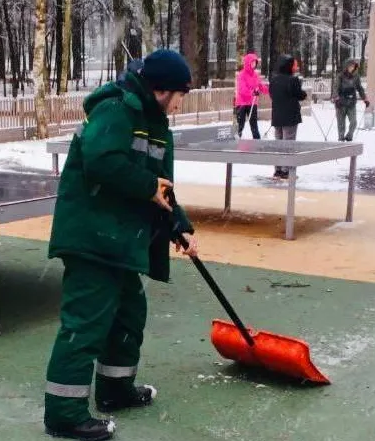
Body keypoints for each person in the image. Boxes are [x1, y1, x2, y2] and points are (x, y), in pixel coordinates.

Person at [43, 49, 200, 440]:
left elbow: (161, 185)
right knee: (87, 322)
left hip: (122, 240)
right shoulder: (114, 109)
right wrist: (148, 187)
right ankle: (64, 413)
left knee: (129, 314)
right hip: (92, 235)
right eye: (180, 94)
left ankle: (115, 390)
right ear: (160, 89)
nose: (181, 103)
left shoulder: (155, 121)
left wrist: (178, 225)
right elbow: (101, 161)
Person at [269, 54, 307, 179]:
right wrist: (303, 93)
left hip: (277, 115)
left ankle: (278, 169)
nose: (296, 66)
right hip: (290, 116)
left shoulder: (274, 80)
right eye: (295, 64)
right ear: (289, 66)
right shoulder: (293, 80)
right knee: (289, 143)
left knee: (278, 143)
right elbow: (300, 95)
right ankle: (287, 170)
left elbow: (272, 95)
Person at [333, 58, 370, 141]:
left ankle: (349, 137)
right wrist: (336, 98)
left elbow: (360, 88)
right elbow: (336, 88)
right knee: (341, 124)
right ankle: (341, 139)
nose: (352, 68)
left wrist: (365, 99)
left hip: (351, 103)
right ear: (346, 66)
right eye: (350, 66)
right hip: (341, 103)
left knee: (353, 122)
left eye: (353, 66)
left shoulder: (356, 76)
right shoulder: (340, 76)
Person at [234, 52, 269, 139]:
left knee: (253, 123)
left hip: (252, 103)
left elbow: (260, 86)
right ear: (247, 63)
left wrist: (269, 90)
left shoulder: (255, 75)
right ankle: (237, 137)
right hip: (242, 103)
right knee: (240, 123)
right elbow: (242, 89)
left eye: (255, 63)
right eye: (252, 62)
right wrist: (252, 92)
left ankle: (257, 139)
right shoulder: (242, 75)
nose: (254, 64)